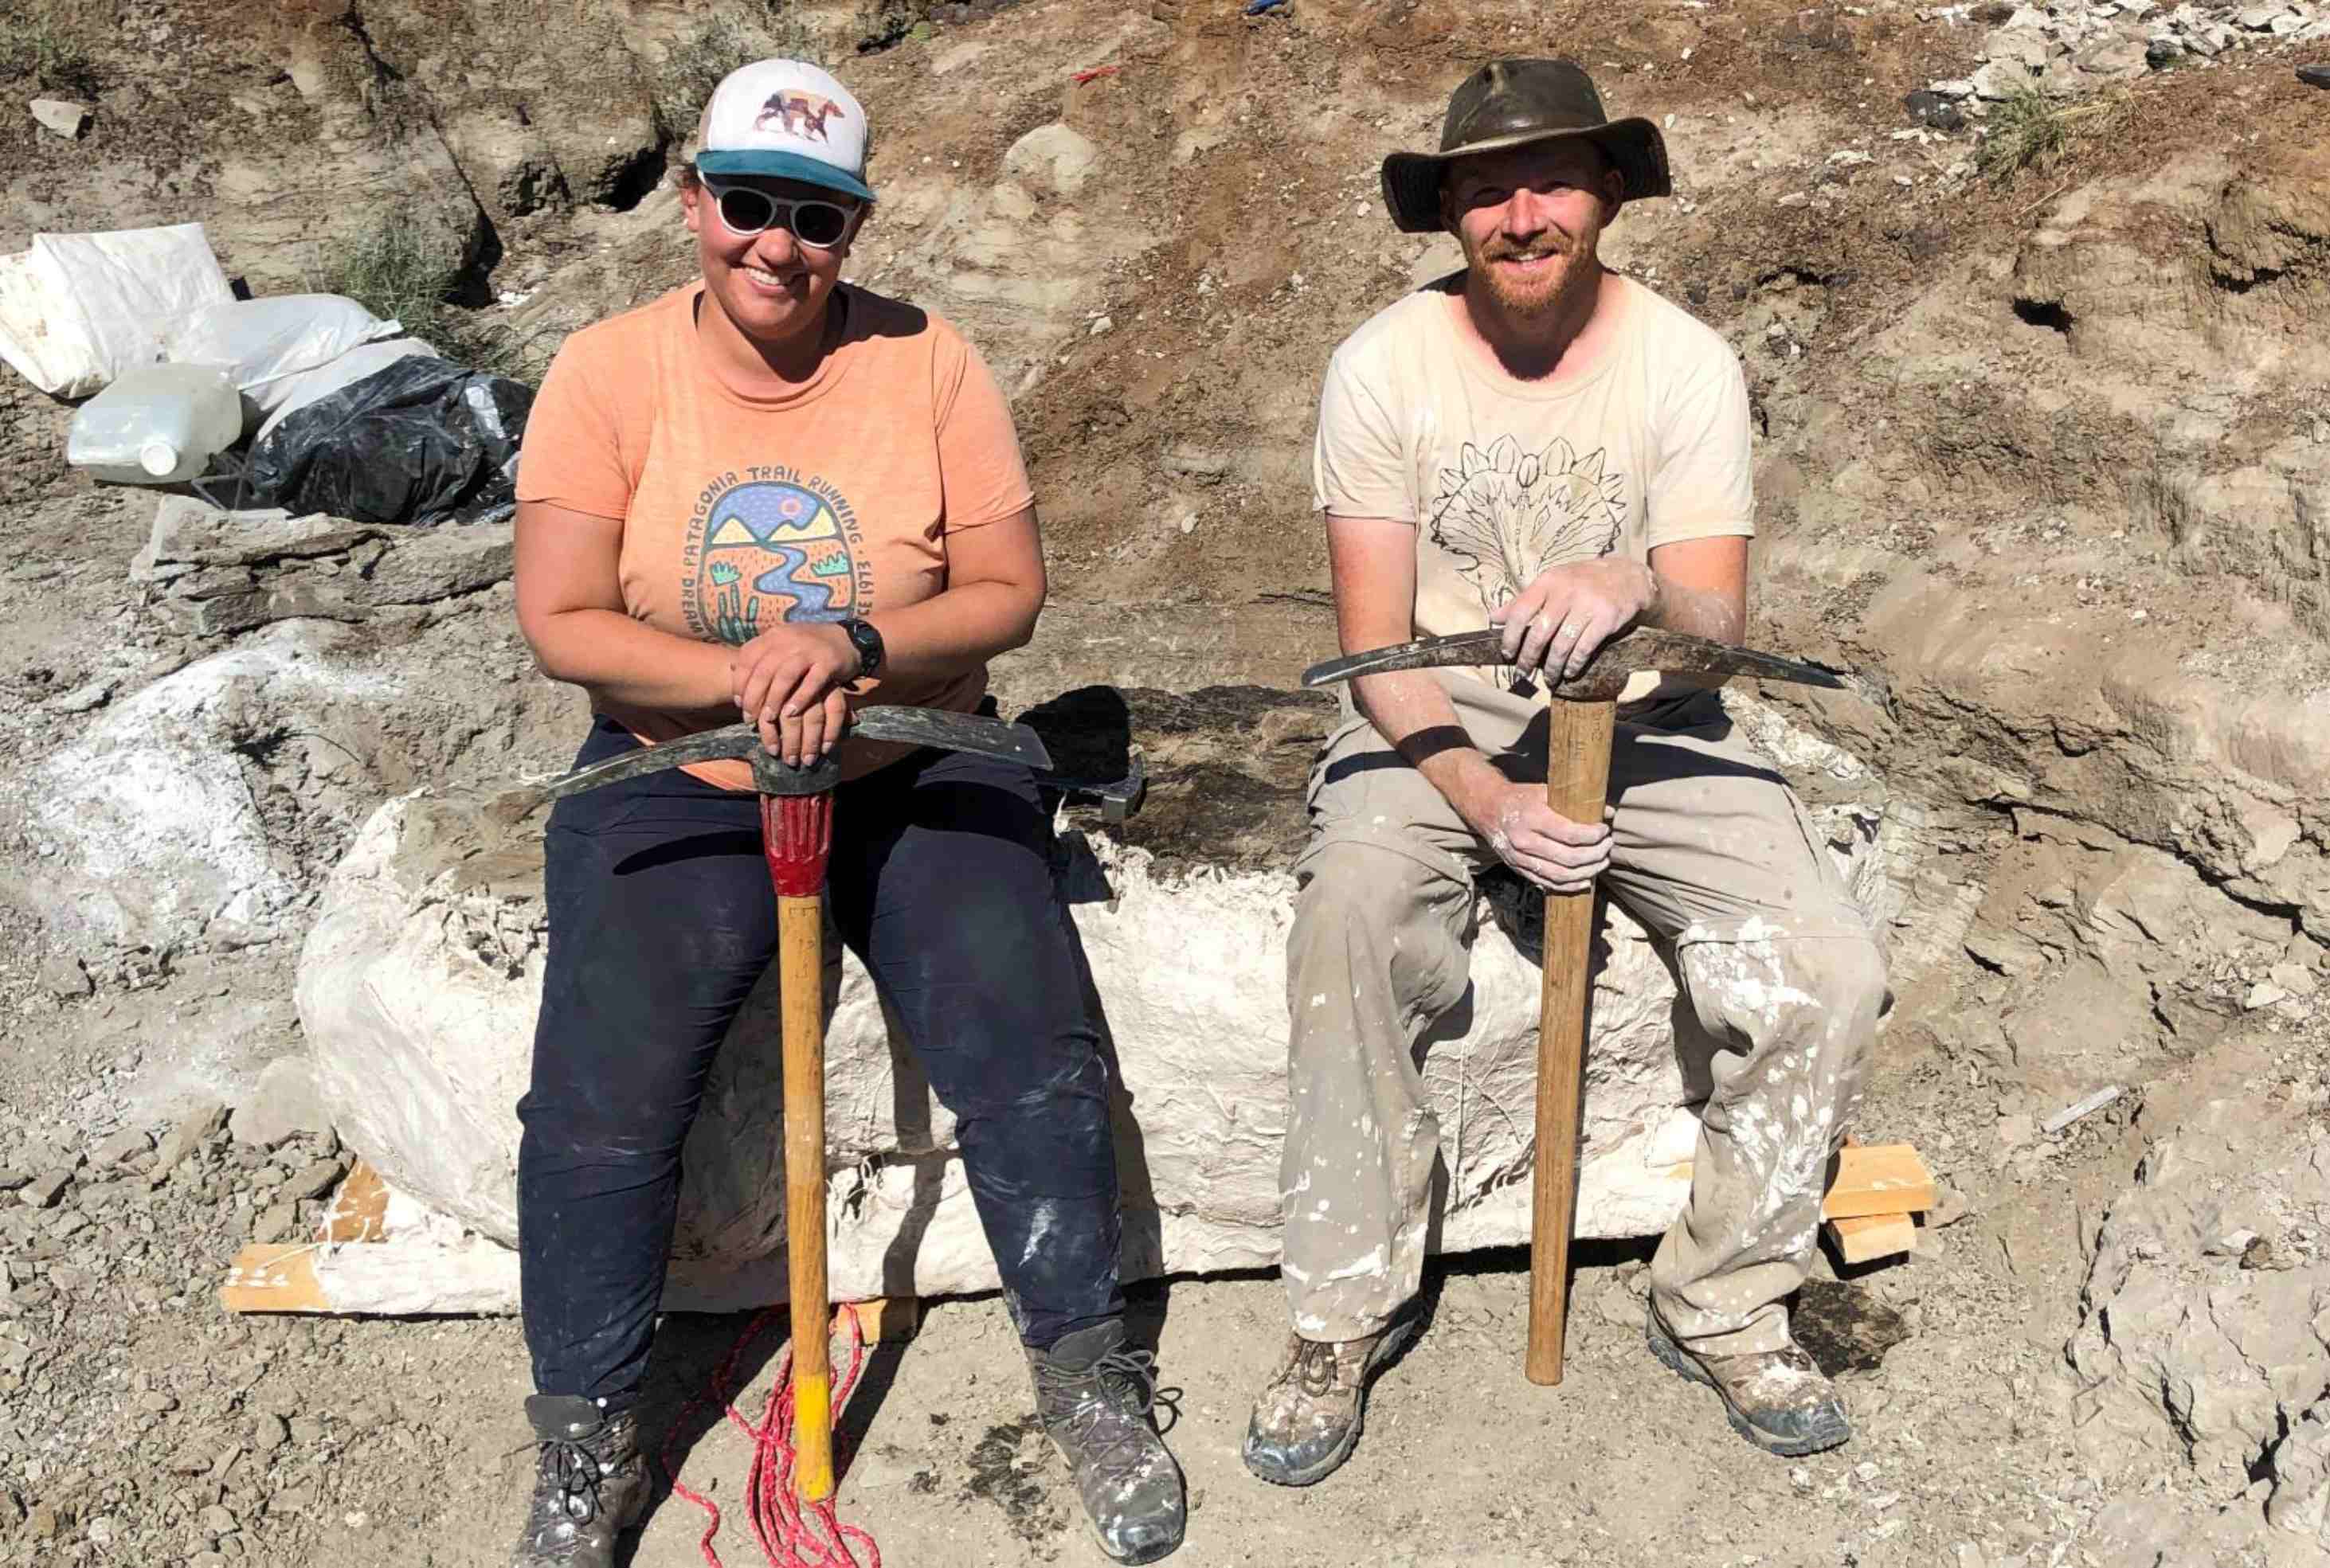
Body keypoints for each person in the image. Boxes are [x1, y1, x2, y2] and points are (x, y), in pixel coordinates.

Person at [504, 59, 1185, 1568]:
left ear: (853, 228)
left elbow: (1008, 593)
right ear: (696, 206)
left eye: (814, 216)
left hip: (909, 757)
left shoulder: (928, 362)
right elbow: (559, 616)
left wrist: (859, 648)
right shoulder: (608, 373)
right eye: (748, 204)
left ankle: (1090, 1373)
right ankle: (591, 1435)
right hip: (679, 767)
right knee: (598, 1112)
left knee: (1032, 1050)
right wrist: (739, 677)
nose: (777, 243)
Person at [1242, 58, 1891, 1486]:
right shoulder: (1382, 367)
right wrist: (1490, 804)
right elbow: (1372, 648)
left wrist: (1633, 580)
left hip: (1652, 724)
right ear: (1450, 214)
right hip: (1431, 714)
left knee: (1827, 967)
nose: (1519, 213)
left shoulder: (1686, 366)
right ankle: (1345, 1306)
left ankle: (1724, 1294)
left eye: (1549, 181)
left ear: (1606, 194)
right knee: (1348, 924)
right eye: (1485, 187)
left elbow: (1716, 631)